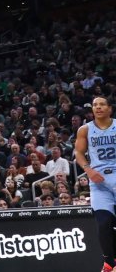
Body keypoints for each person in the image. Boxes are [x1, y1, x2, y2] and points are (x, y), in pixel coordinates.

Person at [75, 96, 116, 272]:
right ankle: (109, 262)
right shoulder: (84, 130)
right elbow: (78, 152)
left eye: (102, 105)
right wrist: (89, 170)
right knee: (103, 223)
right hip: (98, 182)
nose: (98, 107)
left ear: (109, 109)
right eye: (95, 105)